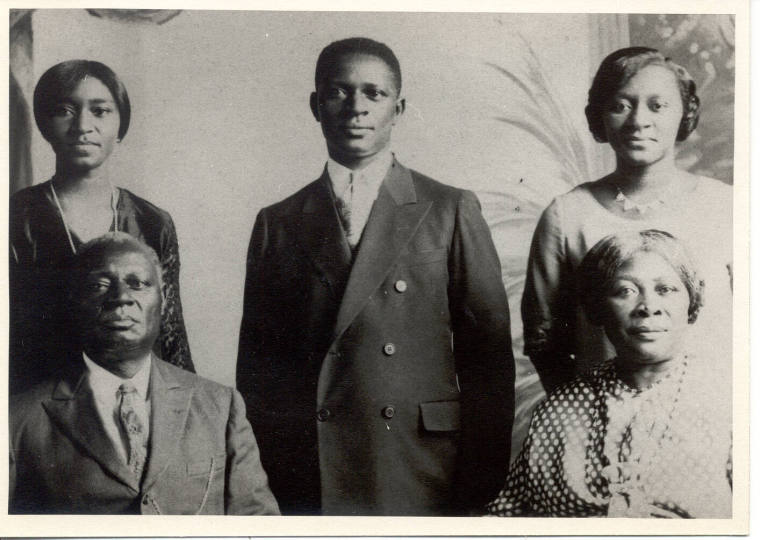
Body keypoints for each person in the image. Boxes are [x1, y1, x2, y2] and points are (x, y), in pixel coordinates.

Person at [236, 37, 514, 516]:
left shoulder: (447, 208)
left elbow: (487, 354)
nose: (356, 107)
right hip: (310, 463)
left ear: (398, 108)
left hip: (417, 459)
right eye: (338, 92)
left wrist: (480, 477)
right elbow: (258, 369)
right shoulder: (277, 222)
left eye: (374, 93)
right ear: (315, 106)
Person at [10, 233, 280, 515]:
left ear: (163, 300)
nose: (121, 298)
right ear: (74, 301)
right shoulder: (17, 421)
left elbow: (258, 523)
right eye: (99, 285)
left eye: (137, 284)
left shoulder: (221, 407)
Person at [521, 47, 732, 393]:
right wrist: (580, 409)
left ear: (685, 112)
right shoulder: (568, 215)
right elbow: (544, 338)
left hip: (711, 413)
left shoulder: (726, 206)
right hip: (603, 417)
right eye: (620, 105)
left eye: (657, 106)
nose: (638, 121)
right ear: (600, 116)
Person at [488, 230, 731, 518]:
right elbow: (507, 518)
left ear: (691, 301)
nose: (648, 307)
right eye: (625, 291)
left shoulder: (729, 400)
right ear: (598, 307)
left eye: (665, 289)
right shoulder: (559, 409)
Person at [10, 60, 193, 394]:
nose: (83, 126)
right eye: (65, 111)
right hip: (38, 403)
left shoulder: (152, 221)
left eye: (100, 111)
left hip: (136, 398)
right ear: (44, 123)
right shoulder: (16, 217)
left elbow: (171, 338)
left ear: (120, 124)